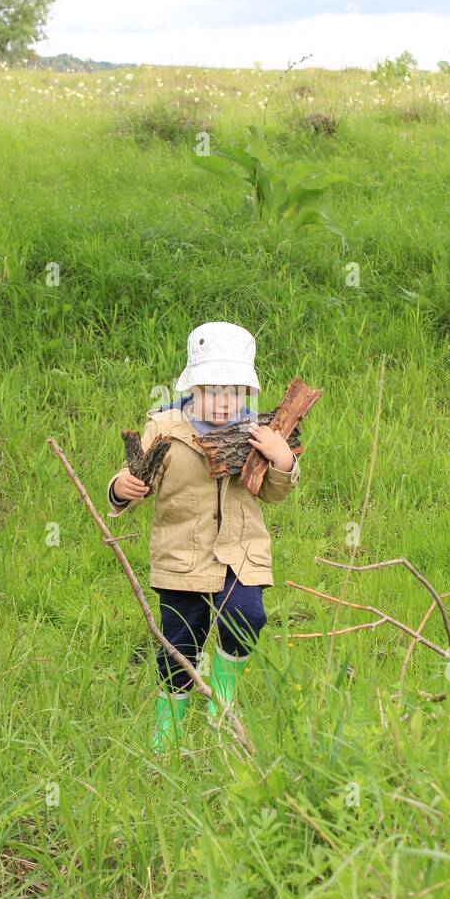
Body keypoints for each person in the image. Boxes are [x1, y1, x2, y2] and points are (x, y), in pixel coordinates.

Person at [106, 321, 301, 753]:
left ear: (246, 393)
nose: (222, 401)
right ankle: (168, 725)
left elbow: (272, 492)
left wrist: (282, 459)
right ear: (193, 386)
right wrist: (122, 488)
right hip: (181, 558)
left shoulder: (256, 432)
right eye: (211, 390)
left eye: (233, 391)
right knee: (180, 645)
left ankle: (223, 696)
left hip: (241, 551)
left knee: (249, 616)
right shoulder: (165, 428)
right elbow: (134, 482)